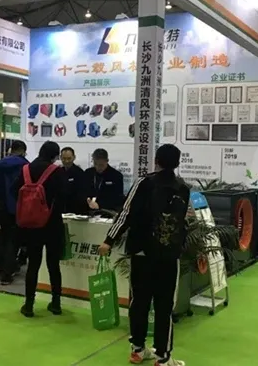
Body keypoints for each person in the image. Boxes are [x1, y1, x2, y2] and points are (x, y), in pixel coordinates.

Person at [98, 144, 189, 366]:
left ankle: (138, 350)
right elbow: (181, 223)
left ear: (156, 160)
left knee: (139, 302)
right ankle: (163, 357)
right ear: (177, 163)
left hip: (142, 253)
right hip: (168, 256)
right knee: (164, 306)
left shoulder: (144, 183)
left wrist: (109, 240)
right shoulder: (183, 189)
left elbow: (125, 214)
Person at [11, 141, 66, 318]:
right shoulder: (57, 171)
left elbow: (14, 190)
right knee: (53, 265)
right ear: (55, 155)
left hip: (31, 225)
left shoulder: (26, 170)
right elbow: (65, 195)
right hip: (52, 224)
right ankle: (56, 303)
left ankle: (29, 305)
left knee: (33, 265)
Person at [0, 140, 29, 286]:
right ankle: (8, 272)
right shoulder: (26, 166)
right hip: (19, 207)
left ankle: (7, 268)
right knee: (16, 239)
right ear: (23, 151)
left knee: (6, 238)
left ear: (11, 149)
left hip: (1, 206)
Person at [61, 147, 89, 215]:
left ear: (74, 157)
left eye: (69, 158)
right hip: (61, 209)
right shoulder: (59, 172)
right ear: (60, 158)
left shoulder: (80, 173)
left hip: (76, 211)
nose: (66, 161)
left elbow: (82, 194)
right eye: (64, 158)